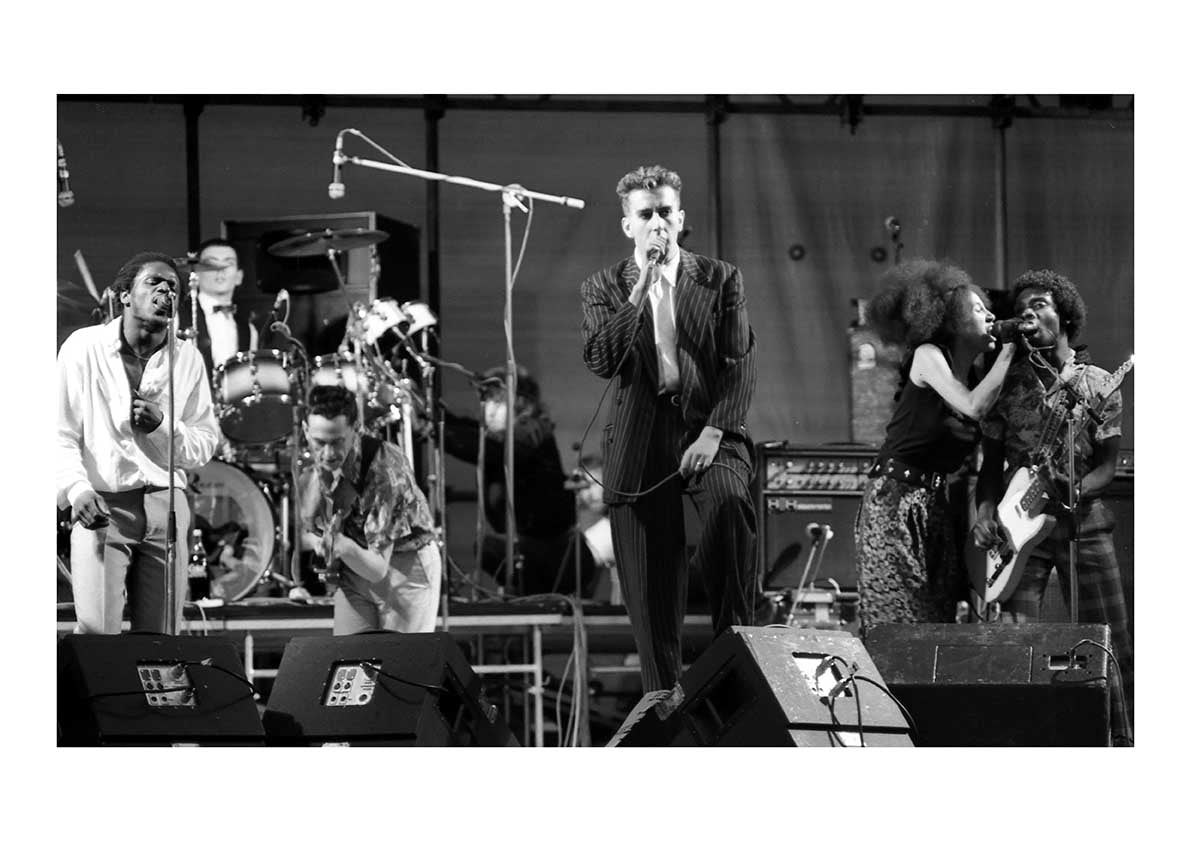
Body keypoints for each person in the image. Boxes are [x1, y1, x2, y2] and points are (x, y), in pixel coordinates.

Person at [581, 164, 758, 693]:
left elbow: (741, 363)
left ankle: (738, 661)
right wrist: (639, 293)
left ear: (680, 218)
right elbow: (601, 360)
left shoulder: (721, 278)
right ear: (627, 225)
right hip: (640, 436)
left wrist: (714, 433)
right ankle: (663, 697)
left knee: (728, 503)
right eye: (645, 215)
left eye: (665, 213)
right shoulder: (602, 287)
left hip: (710, 427)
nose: (657, 223)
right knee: (649, 584)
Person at [971, 268, 1132, 743]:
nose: (1028, 311)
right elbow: (990, 465)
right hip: (1020, 535)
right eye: (1021, 305)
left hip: (1084, 524)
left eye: (1040, 303)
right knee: (1015, 644)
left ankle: (1119, 744)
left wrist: (1078, 489)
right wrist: (984, 513)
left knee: (1110, 644)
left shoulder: (1099, 382)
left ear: (1064, 315)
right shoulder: (1007, 383)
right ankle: (1019, 744)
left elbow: (1108, 465)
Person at [57, 251, 221, 633]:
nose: (166, 289)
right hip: (103, 503)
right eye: (154, 282)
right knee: (98, 634)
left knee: (162, 638)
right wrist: (76, 489)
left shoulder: (188, 359)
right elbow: (58, 433)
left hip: (167, 506)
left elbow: (203, 444)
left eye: (173, 287)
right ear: (124, 295)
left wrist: (163, 426)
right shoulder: (84, 348)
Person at [854, 259, 1016, 632]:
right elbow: (973, 406)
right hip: (895, 501)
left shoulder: (977, 375)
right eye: (978, 309)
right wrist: (1008, 352)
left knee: (937, 622)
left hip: (936, 506)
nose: (991, 316)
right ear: (951, 321)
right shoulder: (929, 356)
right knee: (899, 619)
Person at [298, 384, 441, 634]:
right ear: (306, 431)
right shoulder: (314, 465)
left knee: (402, 669)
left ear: (355, 429)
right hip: (354, 567)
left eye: (337, 442)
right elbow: (308, 524)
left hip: (405, 568)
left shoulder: (384, 469)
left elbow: (376, 569)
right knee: (348, 663)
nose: (328, 453)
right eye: (319, 442)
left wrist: (341, 545)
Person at [441, 365, 593, 596]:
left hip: (554, 555)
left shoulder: (533, 430)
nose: (490, 410)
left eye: (499, 401)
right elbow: (470, 431)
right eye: (488, 401)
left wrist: (436, 430)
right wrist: (437, 419)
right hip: (527, 549)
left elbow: (493, 449)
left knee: (489, 549)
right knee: (487, 548)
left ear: (523, 404)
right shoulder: (503, 436)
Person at [179, 237, 259, 376]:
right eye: (211, 264)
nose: (220, 271)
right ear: (195, 274)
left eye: (228, 264)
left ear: (239, 276)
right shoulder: (177, 316)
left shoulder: (249, 330)